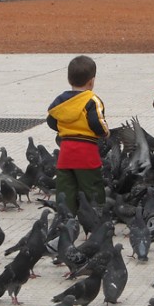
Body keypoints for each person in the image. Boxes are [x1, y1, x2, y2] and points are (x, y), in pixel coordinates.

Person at [46, 55, 110, 213]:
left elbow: (51, 121)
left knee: (66, 187)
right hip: (86, 151)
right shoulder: (91, 100)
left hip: (66, 150)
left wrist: (65, 129)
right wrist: (105, 133)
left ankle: (65, 216)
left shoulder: (60, 101)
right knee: (92, 187)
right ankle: (95, 214)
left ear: (69, 80)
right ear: (91, 81)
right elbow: (97, 123)